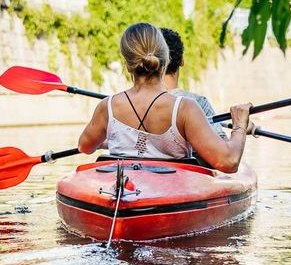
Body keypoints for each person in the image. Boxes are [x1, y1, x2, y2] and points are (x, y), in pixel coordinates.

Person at [78, 22, 253, 172]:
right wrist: (239, 126)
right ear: (166, 59)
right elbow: (229, 162)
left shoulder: (107, 106)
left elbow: (84, 147)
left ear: (127, 64)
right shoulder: (185, 108)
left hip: (124, 189)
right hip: (172, 192)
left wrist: (108, 140)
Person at [159, 27, 227, 137]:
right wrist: (240, 127)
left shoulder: (137, 104)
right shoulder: (198, 103)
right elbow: (224, 146)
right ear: (182, 61)